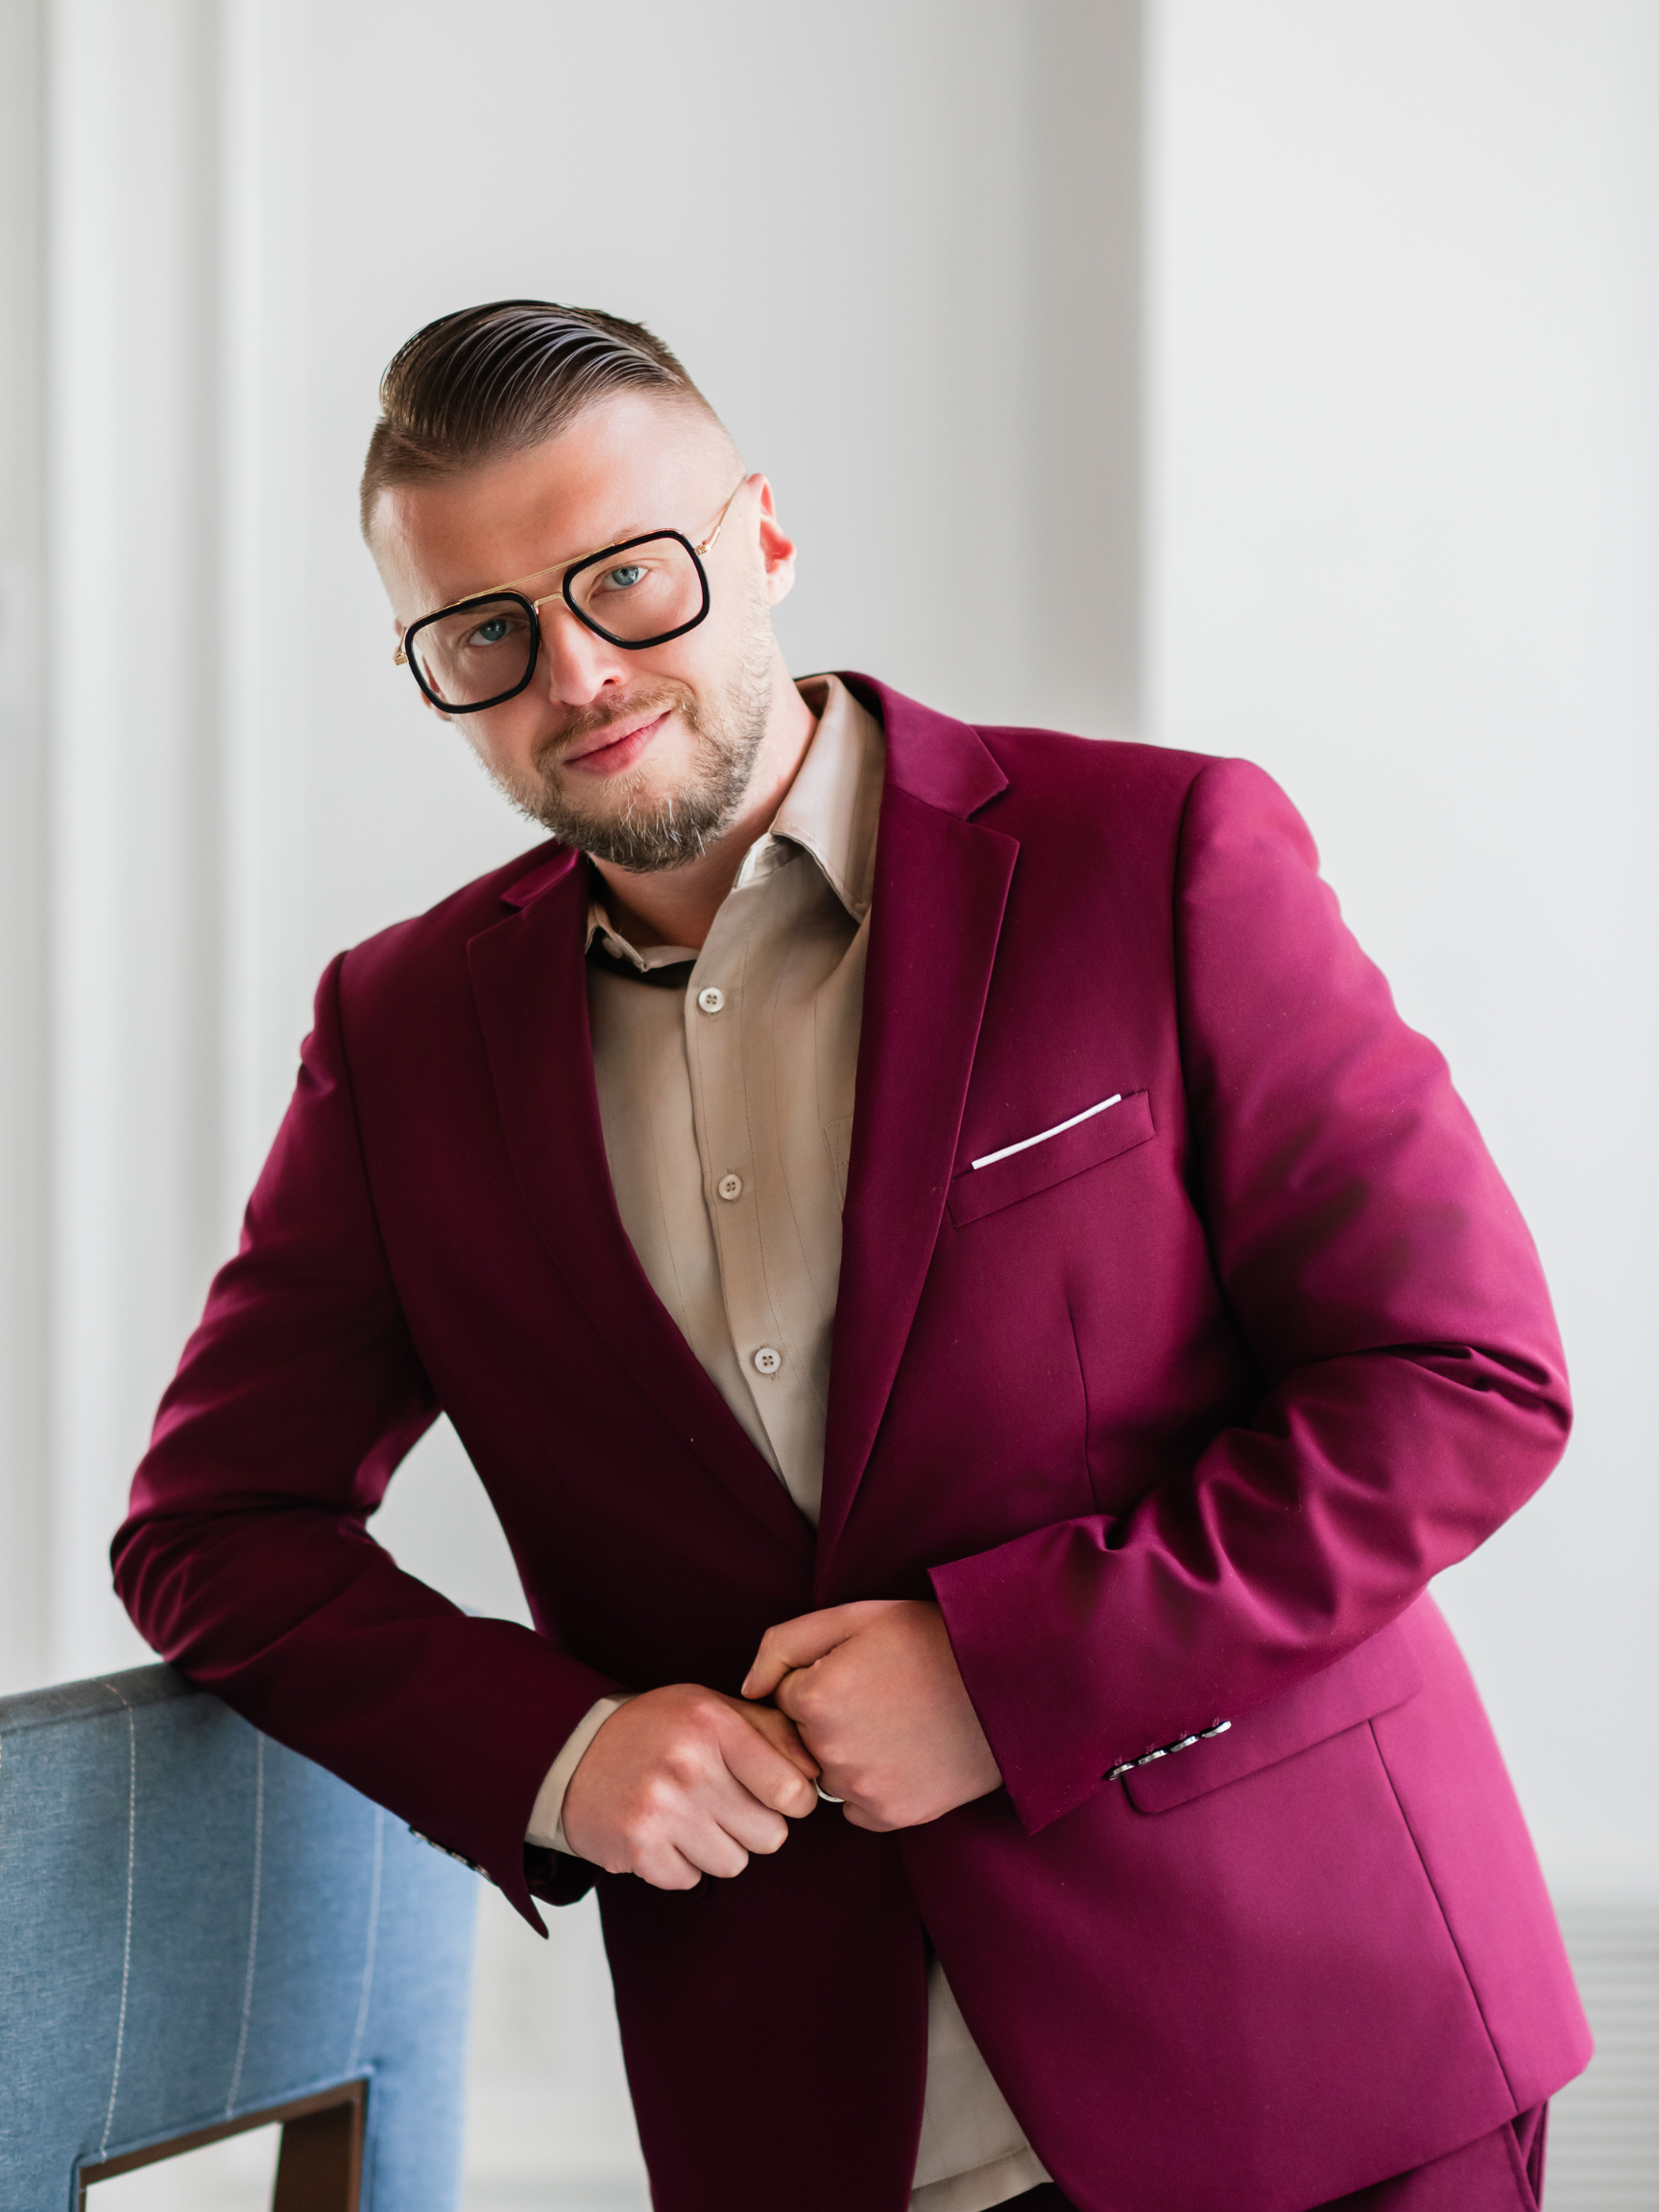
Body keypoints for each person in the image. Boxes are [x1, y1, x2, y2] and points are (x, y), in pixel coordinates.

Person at [114, 301, 1589, 2212]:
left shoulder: (1154, 852)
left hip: (1317, 2057)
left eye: (626, 576)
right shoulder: (398, 1040)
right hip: (803, 2118)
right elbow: (214, 1527)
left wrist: (1011, 1676)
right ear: (432, 676)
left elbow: (1462, 1379)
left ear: (765, 537)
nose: (579, 671)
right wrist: (559, 1750)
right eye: (484, 632)